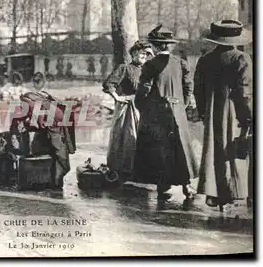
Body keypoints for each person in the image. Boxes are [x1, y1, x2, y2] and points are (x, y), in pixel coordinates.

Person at [133, 25, 198, 202]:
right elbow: (188, 86)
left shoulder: (150, 65)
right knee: (180, 147)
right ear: (169, 45)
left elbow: (144, 90)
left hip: (157, 113)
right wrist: (182, 105)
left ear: (154, 46)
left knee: (160, 149)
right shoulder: (180, 63)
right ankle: (187, 186)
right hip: (177, 112)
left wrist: (142, 107)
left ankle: (164, 187)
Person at [193, 20, 253, 211]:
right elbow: (245, 91)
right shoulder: (241, 58)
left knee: (213, 149)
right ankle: (234, 192)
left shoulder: (205, 60)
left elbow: (198, 90)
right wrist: (249, 116)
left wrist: (203, 112)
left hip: (212, 110)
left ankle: (213, 192)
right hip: (234, 110)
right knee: (233, 151)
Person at [103, 40, 153, 182]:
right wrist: (117, 97)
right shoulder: (125, 68)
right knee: (127, 137)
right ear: (133, 54)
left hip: (145, 108)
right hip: (129, 108)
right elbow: (109, 83)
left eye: (145, 53)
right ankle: (123, 170)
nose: (143, 55)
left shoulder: (149, 70)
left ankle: (143, 170)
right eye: (140, 52)